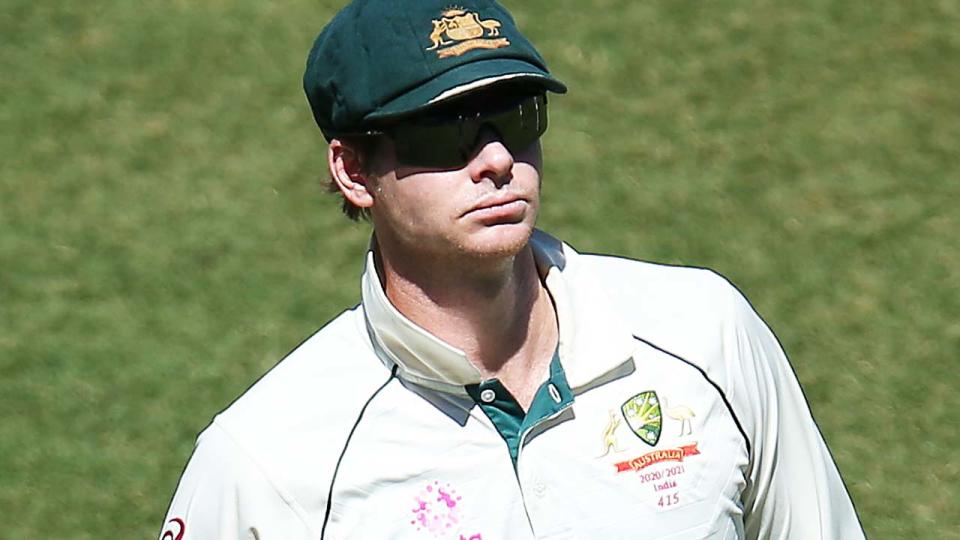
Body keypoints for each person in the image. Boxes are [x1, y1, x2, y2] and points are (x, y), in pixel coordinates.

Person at [159, 0, 866, 538]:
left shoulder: (704, 335)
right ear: (353, 170)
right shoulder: (267, 460)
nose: (497, 158)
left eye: (516, 115)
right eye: (445, 128)